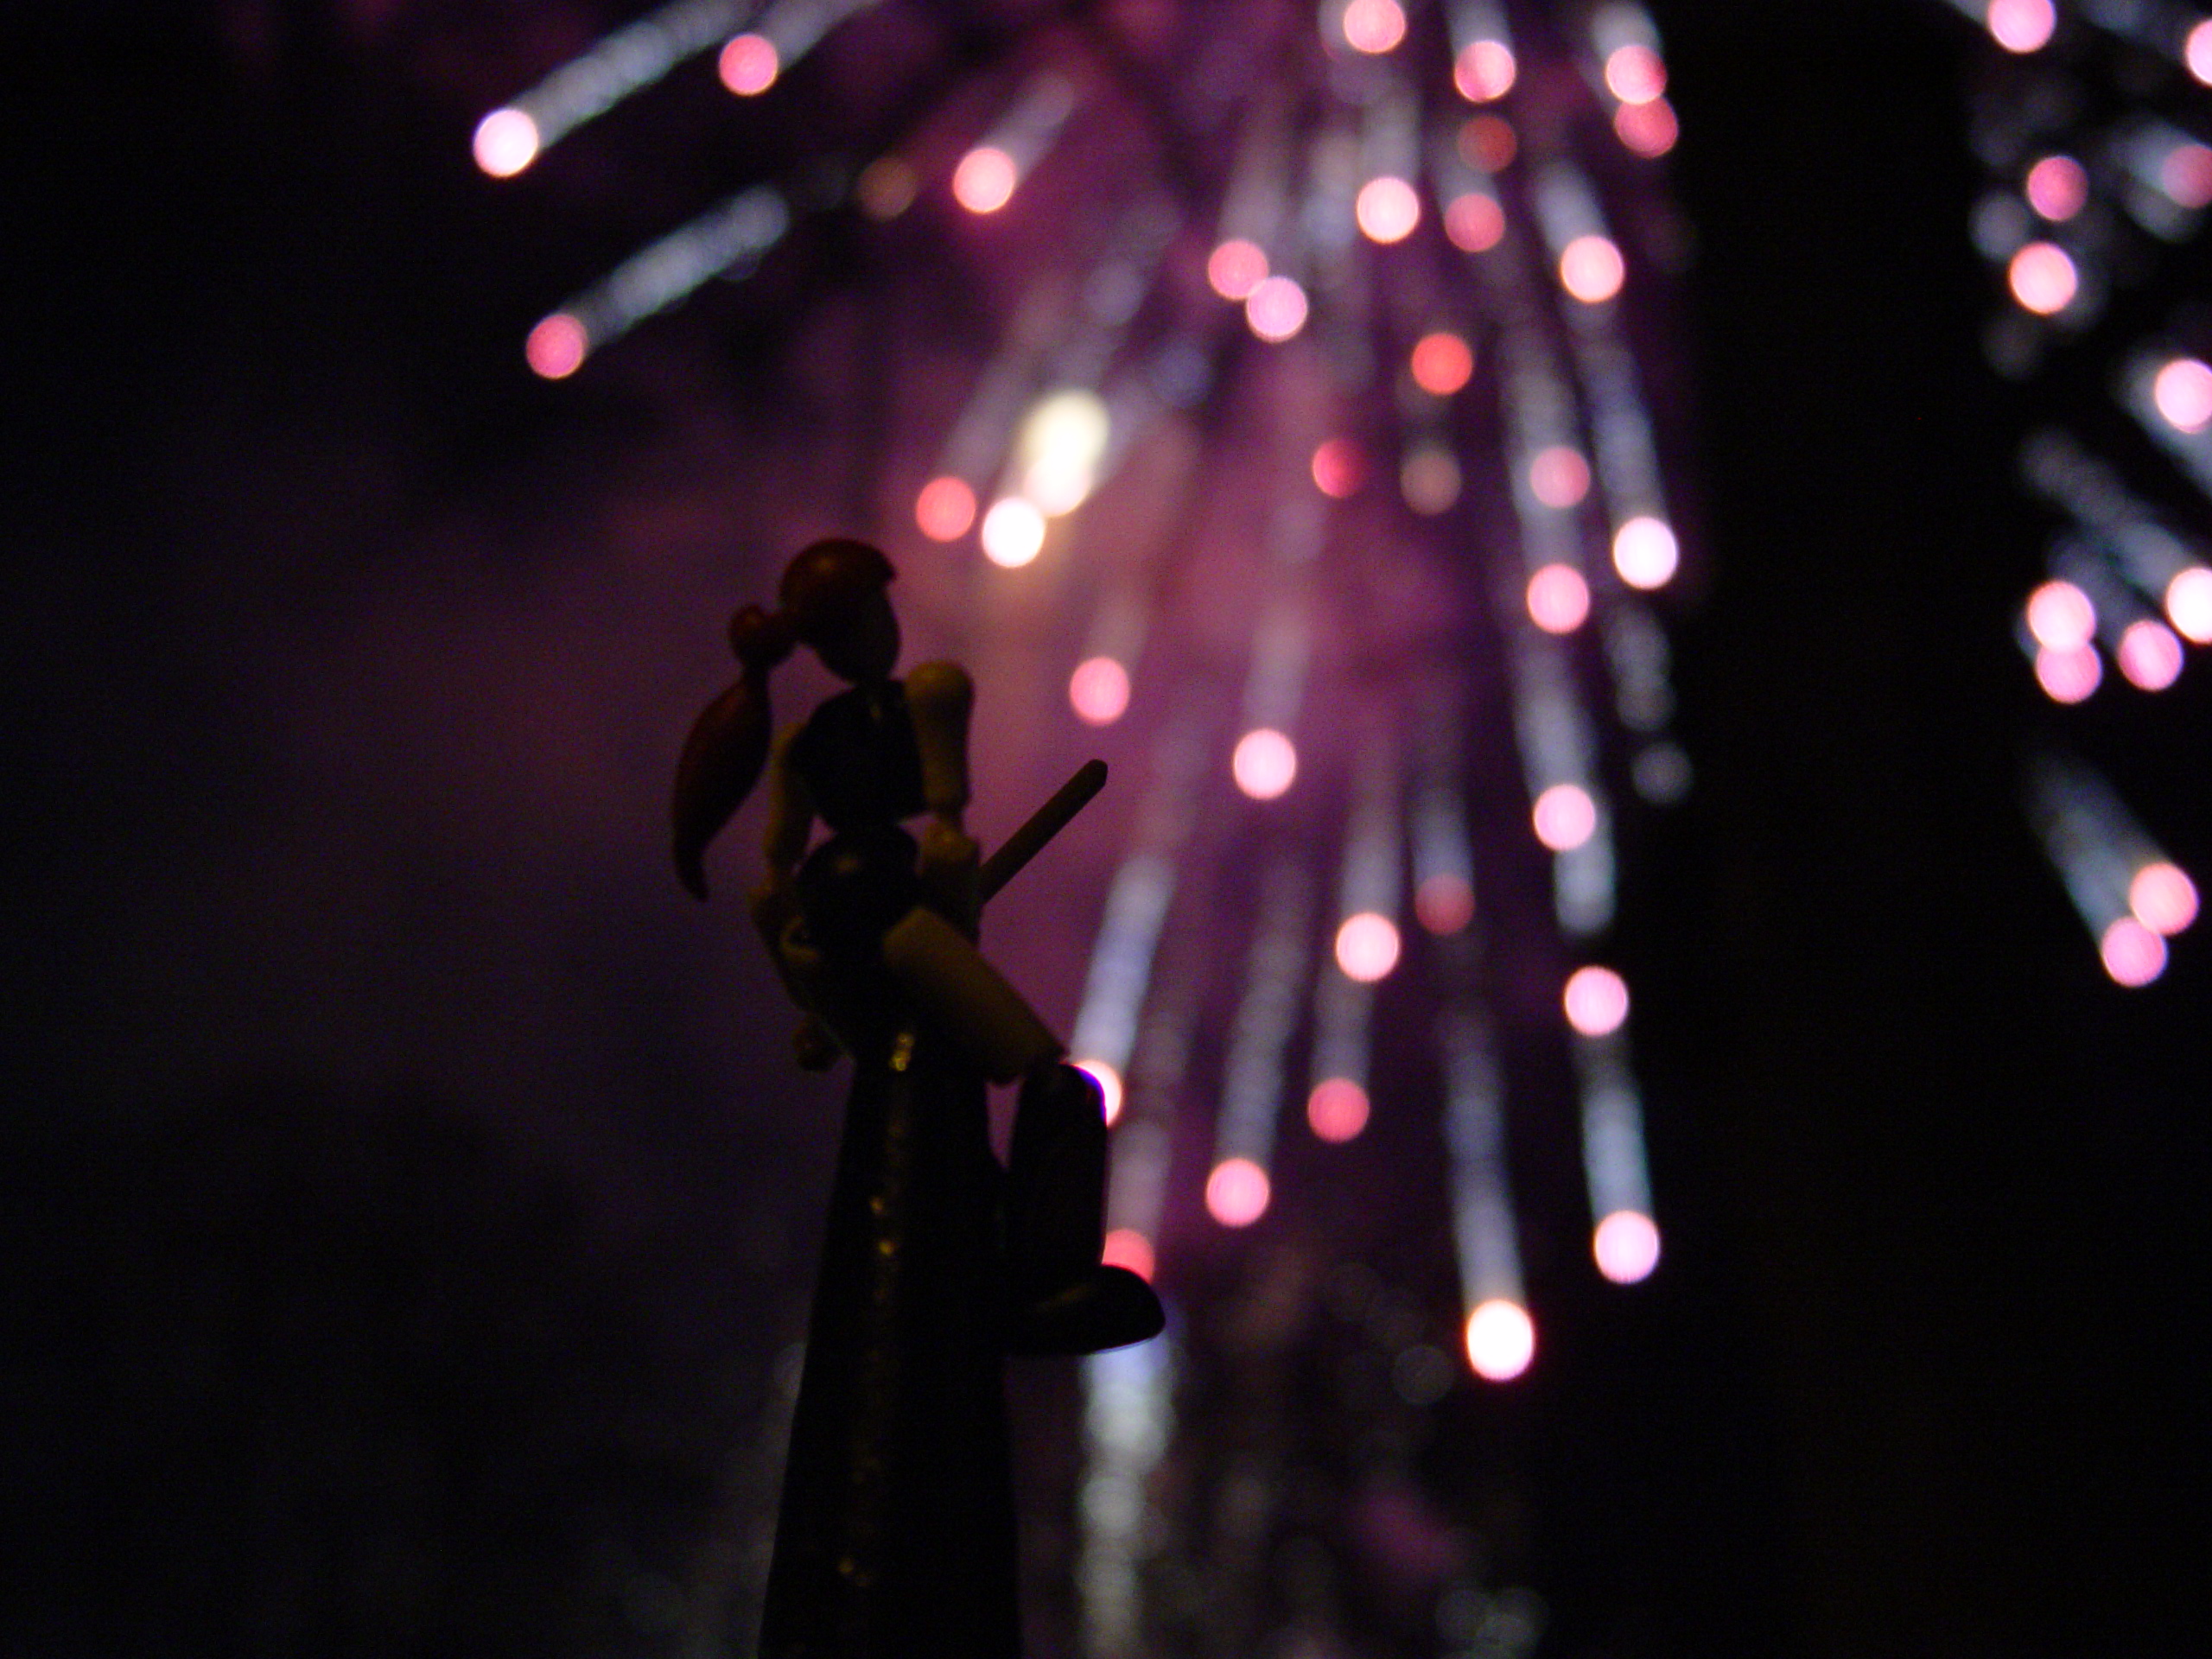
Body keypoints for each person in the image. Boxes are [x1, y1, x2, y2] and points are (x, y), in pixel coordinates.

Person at [672, 538, 1160, 1657]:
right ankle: (1049, 1280)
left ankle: (1002, 1238)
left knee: (963, 1138)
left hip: (846, 955)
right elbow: (948, 840)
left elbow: (772, 889)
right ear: (872, 624)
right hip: (901, 939)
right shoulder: (930, 695)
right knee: (1056, 1085)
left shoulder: (799, 743)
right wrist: (944, 937)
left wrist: (814, 997)